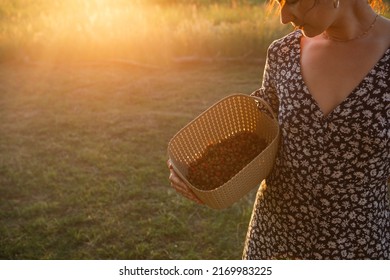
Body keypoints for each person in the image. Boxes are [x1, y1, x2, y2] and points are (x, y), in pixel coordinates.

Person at [167, 0, 390, 259]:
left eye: (292, 1)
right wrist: (198, 174)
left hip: (359, 246)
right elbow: (258, 134)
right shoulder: (282, 54)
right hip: (274, 241)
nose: (284, 17)